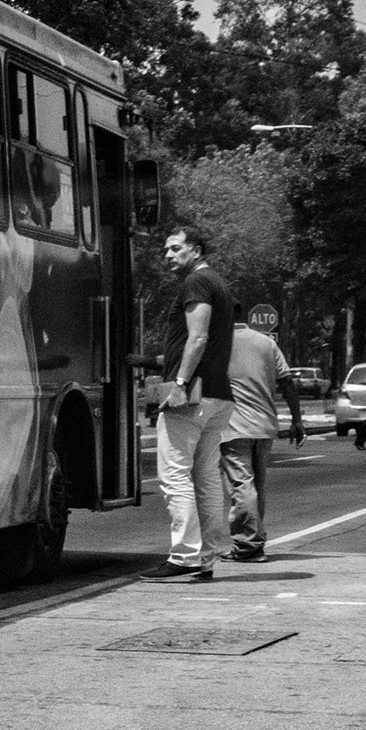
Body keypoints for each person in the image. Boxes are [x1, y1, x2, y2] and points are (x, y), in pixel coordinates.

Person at [144, 226, 236, 583]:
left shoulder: (196, 283)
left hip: (193, 395)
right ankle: (207, 557)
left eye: (175, 248)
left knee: (174, 475)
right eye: (166, 249)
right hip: (218, 395)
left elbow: (198, 337)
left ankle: (184, 555)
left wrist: (180, 383)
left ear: (195, 250)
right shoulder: (218, 283)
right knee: (206, 478)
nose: (168, 255)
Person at [219, 306, 308, 563]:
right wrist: (297, 420)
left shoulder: (218, 343)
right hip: (265, 425)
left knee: (241, 485)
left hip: (234, 425)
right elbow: (287, 382)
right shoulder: (266, 342)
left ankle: (248, 545)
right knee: (256, 486)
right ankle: (255, 541)